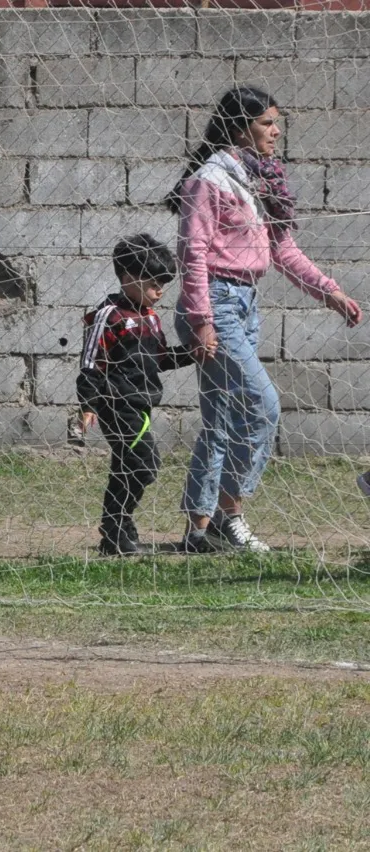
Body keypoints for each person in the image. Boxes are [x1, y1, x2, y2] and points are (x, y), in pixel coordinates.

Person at [167, 86, 362, 553]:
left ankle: (198, 529)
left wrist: (328, 290)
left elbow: (283, 250)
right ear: (240, 128)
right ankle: (228, 516)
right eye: (267, 123)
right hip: (215, 304)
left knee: (222, 418)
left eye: (277, 121)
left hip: (245, 305)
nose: (277, 131)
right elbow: (191, 254)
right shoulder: (210, 180)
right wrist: (201, 320)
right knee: (263, 406)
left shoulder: (262, 181)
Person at [77, 235, 202, 555]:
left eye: (164, 283)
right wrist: (89, 403)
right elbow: (92, 362)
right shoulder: (110, 316)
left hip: (141, 402)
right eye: (154, 283)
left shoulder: (150, 316)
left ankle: (114, 536)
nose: (161, 291)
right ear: (130, 277)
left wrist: (193, 352)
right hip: (116, 404)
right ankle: (117, 526)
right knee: (143, 464)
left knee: (127, 466)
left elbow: (159, 359)